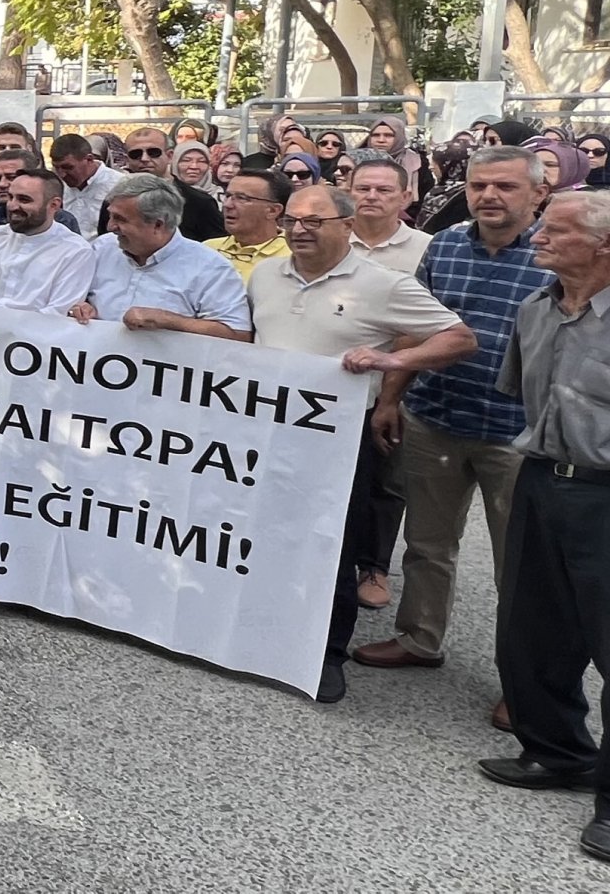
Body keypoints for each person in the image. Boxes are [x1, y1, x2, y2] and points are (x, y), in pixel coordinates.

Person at [247, 183, 475, 704]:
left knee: (332, 543)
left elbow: (458, 337)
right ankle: (264, 633)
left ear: (347, 226)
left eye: (314, 221)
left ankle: (327, 653)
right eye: (291, 221)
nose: (299, 230)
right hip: (267, 433)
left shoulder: (383, 284)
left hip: (340, 436)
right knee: (271, 533)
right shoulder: (265, 275)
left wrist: (394, 363)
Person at [351, 147, 552, 718]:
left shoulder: (554, 254)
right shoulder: (444, 247)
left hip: (517, 434)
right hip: (436, 419)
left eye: (506, 187)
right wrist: (391, 401)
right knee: (428, 545)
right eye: (479, 185)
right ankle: (420, 638)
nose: (489, 196)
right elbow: (411, 331)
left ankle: (526, 683)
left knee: (520, 565)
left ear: (537, 194)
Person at [482, 190, 610, 857]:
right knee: (532, 630)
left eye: (556, 230)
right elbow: (522, 395)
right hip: (540, 480)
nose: (538, 238)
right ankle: (557, 752)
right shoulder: (535, 309)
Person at [69, 175, 250, 339]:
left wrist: (169, 321)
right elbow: (75, 298)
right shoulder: (103, 248)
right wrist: (81, 308)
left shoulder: (211, 268)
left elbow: (238, 335)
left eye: (120, 219)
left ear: (158, 224)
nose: (110, 226)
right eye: (110, 216)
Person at [0, 170, 95, 313]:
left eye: (24, 200)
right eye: (10, 197)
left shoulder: (76, 251)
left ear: (54, 205)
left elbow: (58, 312)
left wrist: (7, 323)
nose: (12, 206)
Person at [123, 127, 224, 240]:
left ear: (170, 156)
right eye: (136, 154)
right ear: (127, 159)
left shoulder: (199, 202)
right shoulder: (116, 200)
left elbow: (217, 246)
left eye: (153, 153)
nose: (144, 159)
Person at [207, 170, 292, 279]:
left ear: (273, 211)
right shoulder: (207, 249)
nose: (227, 205)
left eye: (241, 198)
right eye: (227, 196)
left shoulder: (293, 257)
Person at [49, 134, 124, 235]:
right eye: (56, 168)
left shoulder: (119, 184)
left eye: (68, 167)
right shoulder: (57, 186)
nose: (62, 174)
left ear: (89, 159)